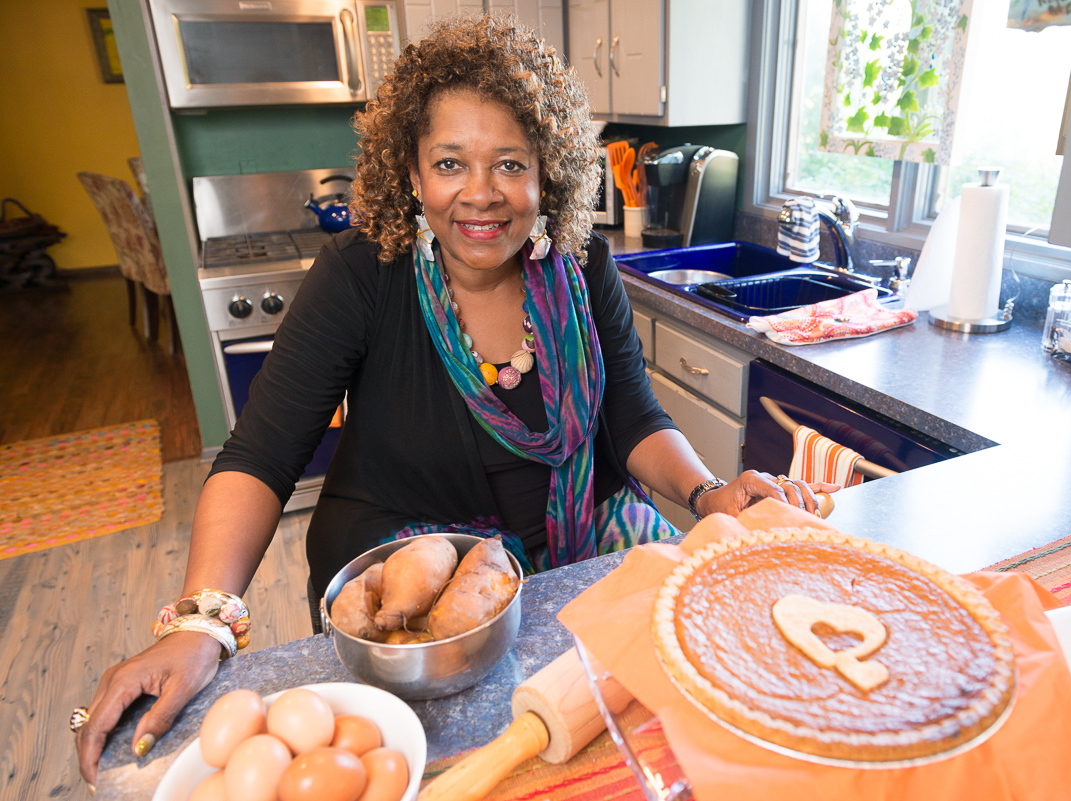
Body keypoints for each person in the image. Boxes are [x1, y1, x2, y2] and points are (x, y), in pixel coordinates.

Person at [73, 15, 837, 788]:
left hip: (575, 567)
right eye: (449, 162)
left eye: (510, 162)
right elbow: (261, 455)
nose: (481, 194)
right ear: (411, 174)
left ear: (548, 174)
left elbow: (635, 418)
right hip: (414, 610)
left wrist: (709, 494)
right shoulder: (362, 275)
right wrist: (202, 622)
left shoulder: (585, 268)